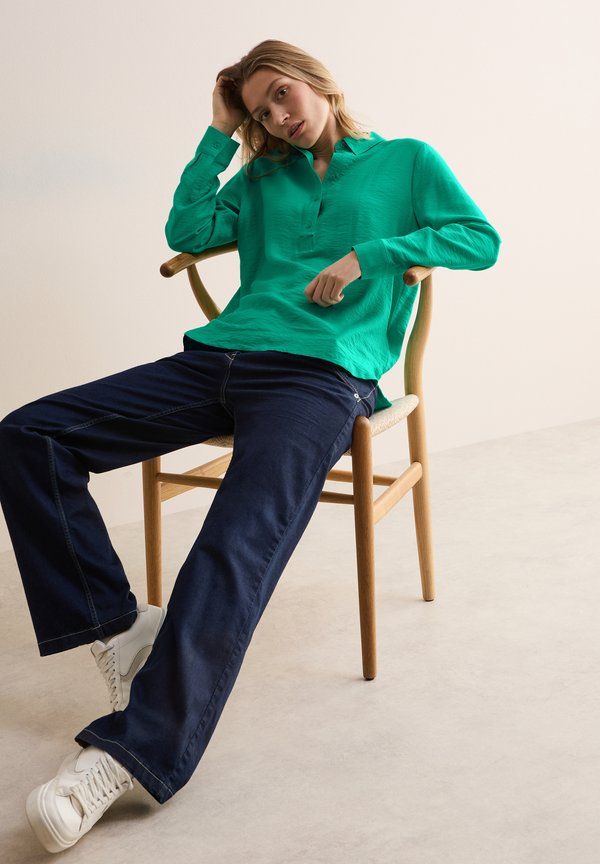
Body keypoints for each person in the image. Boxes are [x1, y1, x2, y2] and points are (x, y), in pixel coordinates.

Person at [0, 39, 502, 852]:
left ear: (317, 81)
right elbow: (187, 227)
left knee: (235, 538)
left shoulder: (406, 161)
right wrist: (219, 134)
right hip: (221, 356)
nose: (277, 115)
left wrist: (374, 254)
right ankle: (120, 626)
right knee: (29, 435)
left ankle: (128, 754)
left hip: (323, 375)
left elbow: (479, 239)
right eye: (261, 108)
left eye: (282, 95)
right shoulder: (262, 175)